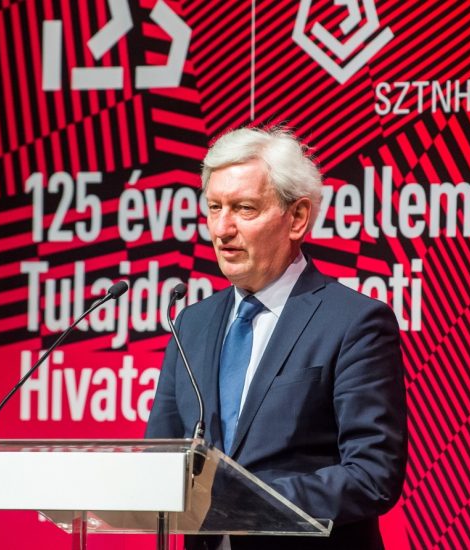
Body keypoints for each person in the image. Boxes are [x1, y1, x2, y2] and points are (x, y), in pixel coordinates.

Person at [146, 126, 407, 550]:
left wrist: (247, 502)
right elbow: (160, 457)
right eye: (214, 207)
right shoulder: (191, 324)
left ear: (297, 218)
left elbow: (372, 474)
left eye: (244, 208)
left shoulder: (354, 323)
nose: (222, 228)